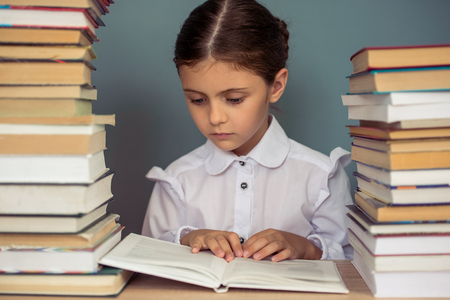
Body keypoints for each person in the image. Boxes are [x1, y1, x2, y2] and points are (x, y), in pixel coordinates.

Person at [142, 0, 353, 262]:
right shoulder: (176, 181)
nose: (215, 118)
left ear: (275, 86)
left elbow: (353, 265)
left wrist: (306, 248)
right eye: (198, 100)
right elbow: (145, 263)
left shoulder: (322, 177)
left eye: (234, 99)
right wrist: (186, 238)